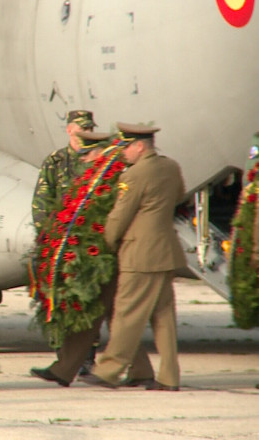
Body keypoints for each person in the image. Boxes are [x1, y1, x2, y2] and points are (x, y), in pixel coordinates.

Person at [30, 131, 154, 388]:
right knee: (111, 314)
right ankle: (137, 370)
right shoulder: (96, 177)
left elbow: (110, 219)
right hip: (104, 258)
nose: (83, 159)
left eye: (87, 153)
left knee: (107, 312)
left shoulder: (113, 178)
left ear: (101, 152)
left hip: (110, 257)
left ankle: (67, 369)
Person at [80, 122, 186, 391]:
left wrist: (107, 241)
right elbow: (179, 196)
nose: (123, 153)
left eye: (126, 147)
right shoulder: (171, 167)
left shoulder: (134, 175)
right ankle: (169, 377)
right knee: (164, 318)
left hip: (140, 253)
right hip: (165, 251)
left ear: (139, 146)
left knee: (126, 315)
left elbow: (120, 215)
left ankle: (109, 371)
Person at [31, 109, 99, 375]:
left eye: (89, 129)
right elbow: (42, 202)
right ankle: (64, 355)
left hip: (89, 244)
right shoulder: (57, 161)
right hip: (60, 244)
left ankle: (86, 357)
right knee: (60, 301)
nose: (85, 135)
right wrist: (48, 238)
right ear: (70, 130)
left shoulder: (99, 160)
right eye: (80, 130)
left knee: (87, 301)